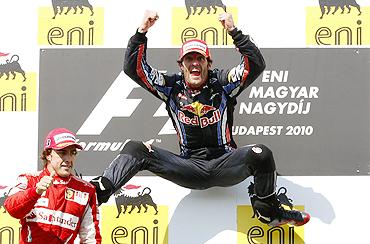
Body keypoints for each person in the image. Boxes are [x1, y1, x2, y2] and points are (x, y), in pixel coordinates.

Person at [90, 10, 310, 227]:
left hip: (225, 161)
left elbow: (255, 65)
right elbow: (134, 69)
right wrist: (142, 32)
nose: (194, 63)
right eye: (189, 59)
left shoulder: (223, 83)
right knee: (136, 148)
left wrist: (234, 32)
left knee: (261, 154)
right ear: (181, 65)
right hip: (189, 167)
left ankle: (267, 211)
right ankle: (97, 192)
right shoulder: (171, 86)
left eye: (199, 58)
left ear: (209, 63)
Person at [4, 128, 102, 243]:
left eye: (73, 153)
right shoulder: (29, 180)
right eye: (62, 153)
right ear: (48, 155)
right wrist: (35, 192)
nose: (68, 159)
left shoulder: (86, 190)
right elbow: (11, 208)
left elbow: (90, 238)